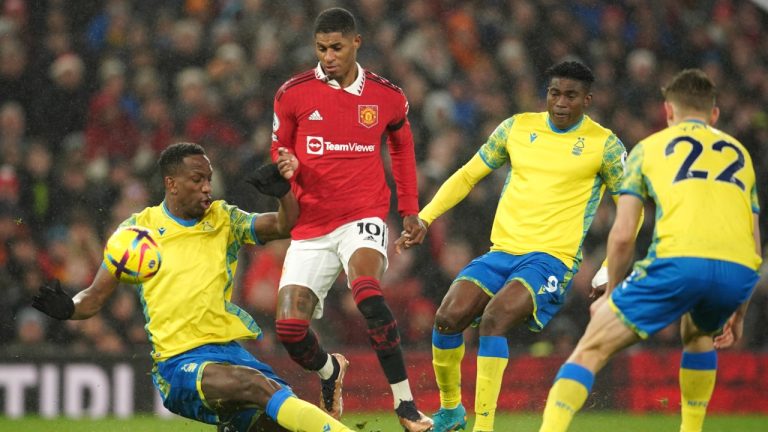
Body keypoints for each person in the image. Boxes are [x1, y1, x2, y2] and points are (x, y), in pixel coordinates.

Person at [32, 142, 355, 432]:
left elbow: (285, 225)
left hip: (230, 354)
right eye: (197, 179)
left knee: (279, 420)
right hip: (178, 362)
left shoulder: (224, 220)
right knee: (259, 388)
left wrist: (284, 193)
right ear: (171, 183)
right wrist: (70, 308)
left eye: (209, 179)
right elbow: (93, 297)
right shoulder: (137, 233)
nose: (207, 188)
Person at [397, 60, 627, 432]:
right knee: (447, 317)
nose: (561, 102)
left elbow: (632, 209)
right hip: (502, 252)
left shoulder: (606, 146)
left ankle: (483, 426)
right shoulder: (517, 128)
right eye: (555, 93)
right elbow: (469, 174)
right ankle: (452, 411)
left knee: (494, 319)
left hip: (552, 260)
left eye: (571, 95)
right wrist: (425, 217)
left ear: (587, 99)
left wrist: (607, 267)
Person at [539, 69, 762, 432]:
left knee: (590, 349)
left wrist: (611, 293)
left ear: (668, 112)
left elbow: (624, 234)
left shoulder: (649, 149)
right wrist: (739, 313)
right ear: (715, 115)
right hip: (736, 273)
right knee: (698, 333)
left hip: (678, 262)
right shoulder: (740, 155)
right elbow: (754, 245)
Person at [270, 7, 432, 431]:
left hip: (362, 216)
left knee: (367, 293)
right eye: (321, 48)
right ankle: (330, 373)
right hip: (310, 225)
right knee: (289, 329)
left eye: (337, 47)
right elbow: (278, 148)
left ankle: (406, 405)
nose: (328, 56)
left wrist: (409, 209)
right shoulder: (292, 94)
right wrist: (283, 162)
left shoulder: (387, 96)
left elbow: (401, 148)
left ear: (356, 43)